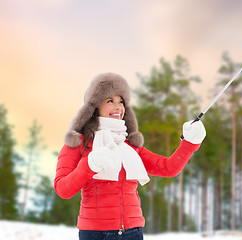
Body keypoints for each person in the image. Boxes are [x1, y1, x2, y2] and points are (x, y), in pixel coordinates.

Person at [54, 72, 206, 240]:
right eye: (110, 101)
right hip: (96, 234)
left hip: (133, 232)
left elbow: (168, 168)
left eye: (121, 101)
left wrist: (190, 143)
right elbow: (63, 189)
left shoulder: (129, 146)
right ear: (95, 106)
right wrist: (90, 164)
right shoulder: (79, 143)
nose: (118, 107)